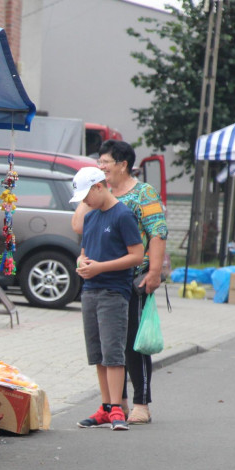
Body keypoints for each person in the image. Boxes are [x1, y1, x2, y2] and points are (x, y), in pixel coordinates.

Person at [71, 140, 168, 425]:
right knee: (108, 345)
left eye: (105, 162)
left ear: (123, 164)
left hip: (133, 276)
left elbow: (157, 232)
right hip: (100, 279)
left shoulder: (143, 193)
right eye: (99, 163)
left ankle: (141, 402)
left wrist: (154, 272)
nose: (101, 167)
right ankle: (117, 403)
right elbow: (79, 227)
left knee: (133, 343)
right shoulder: (101, 194)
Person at [70, 166, 144, 431]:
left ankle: (116, 409)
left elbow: (136, 255)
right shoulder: (91, 217)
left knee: (113, 352)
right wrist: (82, 261)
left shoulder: (122, 215)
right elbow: (83, 250)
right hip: (89, 290)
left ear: (99, 187)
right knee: (98, 353)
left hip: (114, 291)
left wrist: (100, 267)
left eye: (86, 196)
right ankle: (105, 407)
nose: (85, 202)